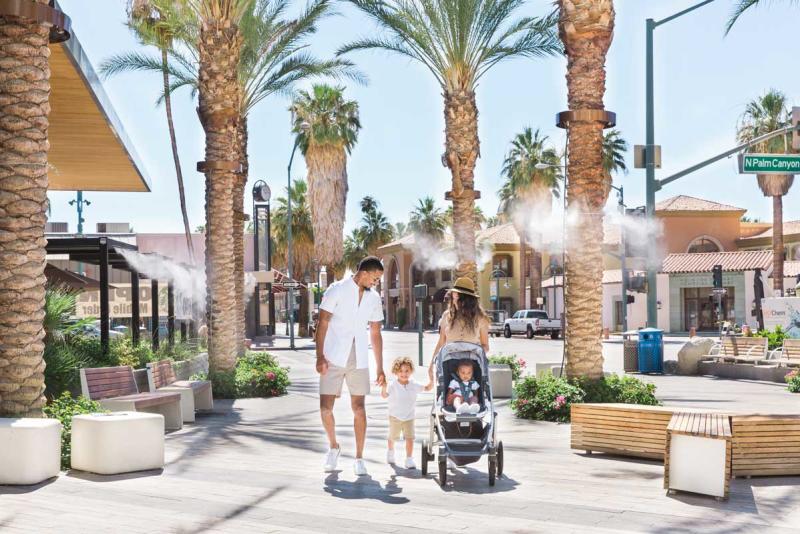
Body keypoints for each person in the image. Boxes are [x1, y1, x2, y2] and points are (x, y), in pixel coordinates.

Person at [316, 256, 386, 476]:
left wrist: (380, 367)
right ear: (364, 273)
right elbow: (323, 323)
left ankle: (359, 458)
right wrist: (319, 356)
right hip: (333, 355)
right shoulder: (336, 290)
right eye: (375, 278)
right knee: (325, 409)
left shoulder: (374, 298)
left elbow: (375, 333)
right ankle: (334, 446)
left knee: (359, 409)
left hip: (359, 357)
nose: (376, 283)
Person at [428, 277, 490, 382]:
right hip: (448, 363)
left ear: (468, 298)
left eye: (459, 294)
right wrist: (431, 364)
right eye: (454, 293)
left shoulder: (480, 318)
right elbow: (441, 342)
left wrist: (474, 354)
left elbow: (485, 346)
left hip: (472, 367)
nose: (455, 295)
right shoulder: (446, 316)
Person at [381, 356, 432, 469]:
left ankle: (409, 459)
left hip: (409, 417)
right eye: (401, 371)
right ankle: (390, 452)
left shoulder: (413, 384)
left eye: (407, 371)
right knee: (392, 437)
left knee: (410, 438)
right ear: (396, 372)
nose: (404, 374)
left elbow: (427, 388)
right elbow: (384, 395)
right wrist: (384, 386)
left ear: (411, 371)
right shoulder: (393, 385)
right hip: (395, 416)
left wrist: (432, 380)